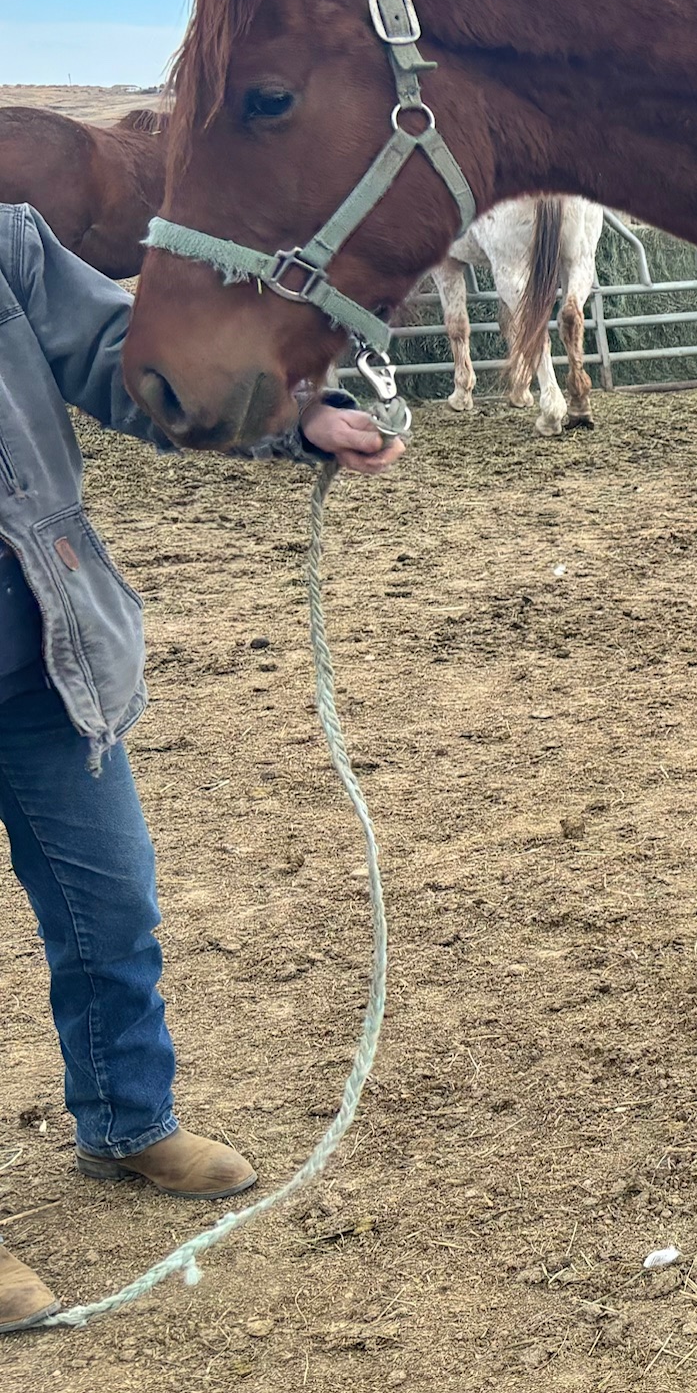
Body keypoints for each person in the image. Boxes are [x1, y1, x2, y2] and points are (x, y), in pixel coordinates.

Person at [0, 203, 402, 1330]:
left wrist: (297, 422)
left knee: (110, 900)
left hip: (43, 648)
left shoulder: (7, 245)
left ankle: (127, 1121)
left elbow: (121, 363)